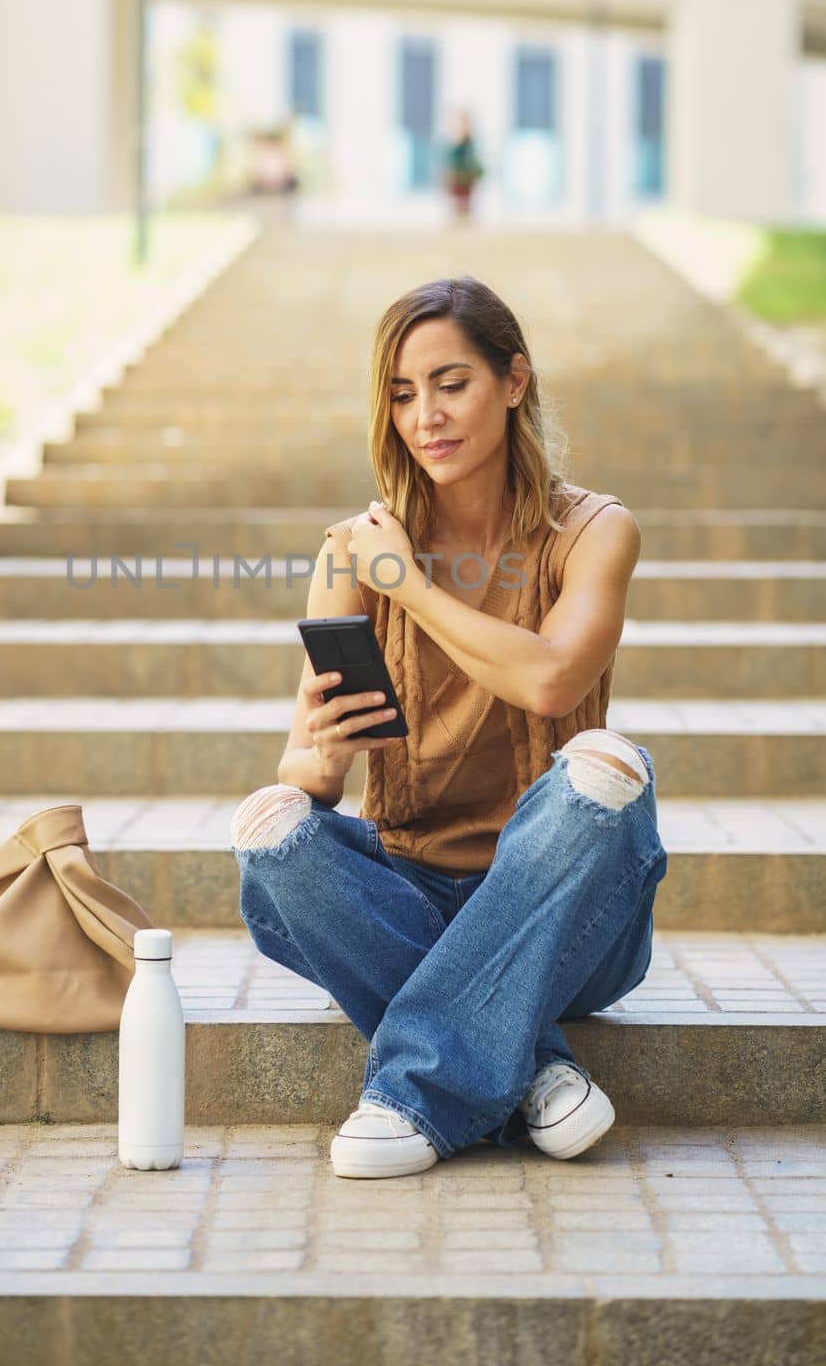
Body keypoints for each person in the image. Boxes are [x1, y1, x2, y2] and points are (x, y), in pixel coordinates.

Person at [229, 274, 667, 1180]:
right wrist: (319, 750)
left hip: (567, 912)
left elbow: (549, 682)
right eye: (400, 394)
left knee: (602, 768)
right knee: (272, 837)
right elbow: (305, 774)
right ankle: (536, 1068)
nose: (424, 414)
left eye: (449, 383)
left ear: (514, 382)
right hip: (405, 890)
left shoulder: (593, 532)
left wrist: (410, 589)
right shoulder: (353, 551)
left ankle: (413, 1096)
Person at [444, 109, 485, 220]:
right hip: (457, 177)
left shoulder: (470, 142)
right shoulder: (455, 142)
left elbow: (473, 160)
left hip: (466, 177)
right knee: (457, 205)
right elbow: (451, 161)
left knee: (466, 204)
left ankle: (465, 221)